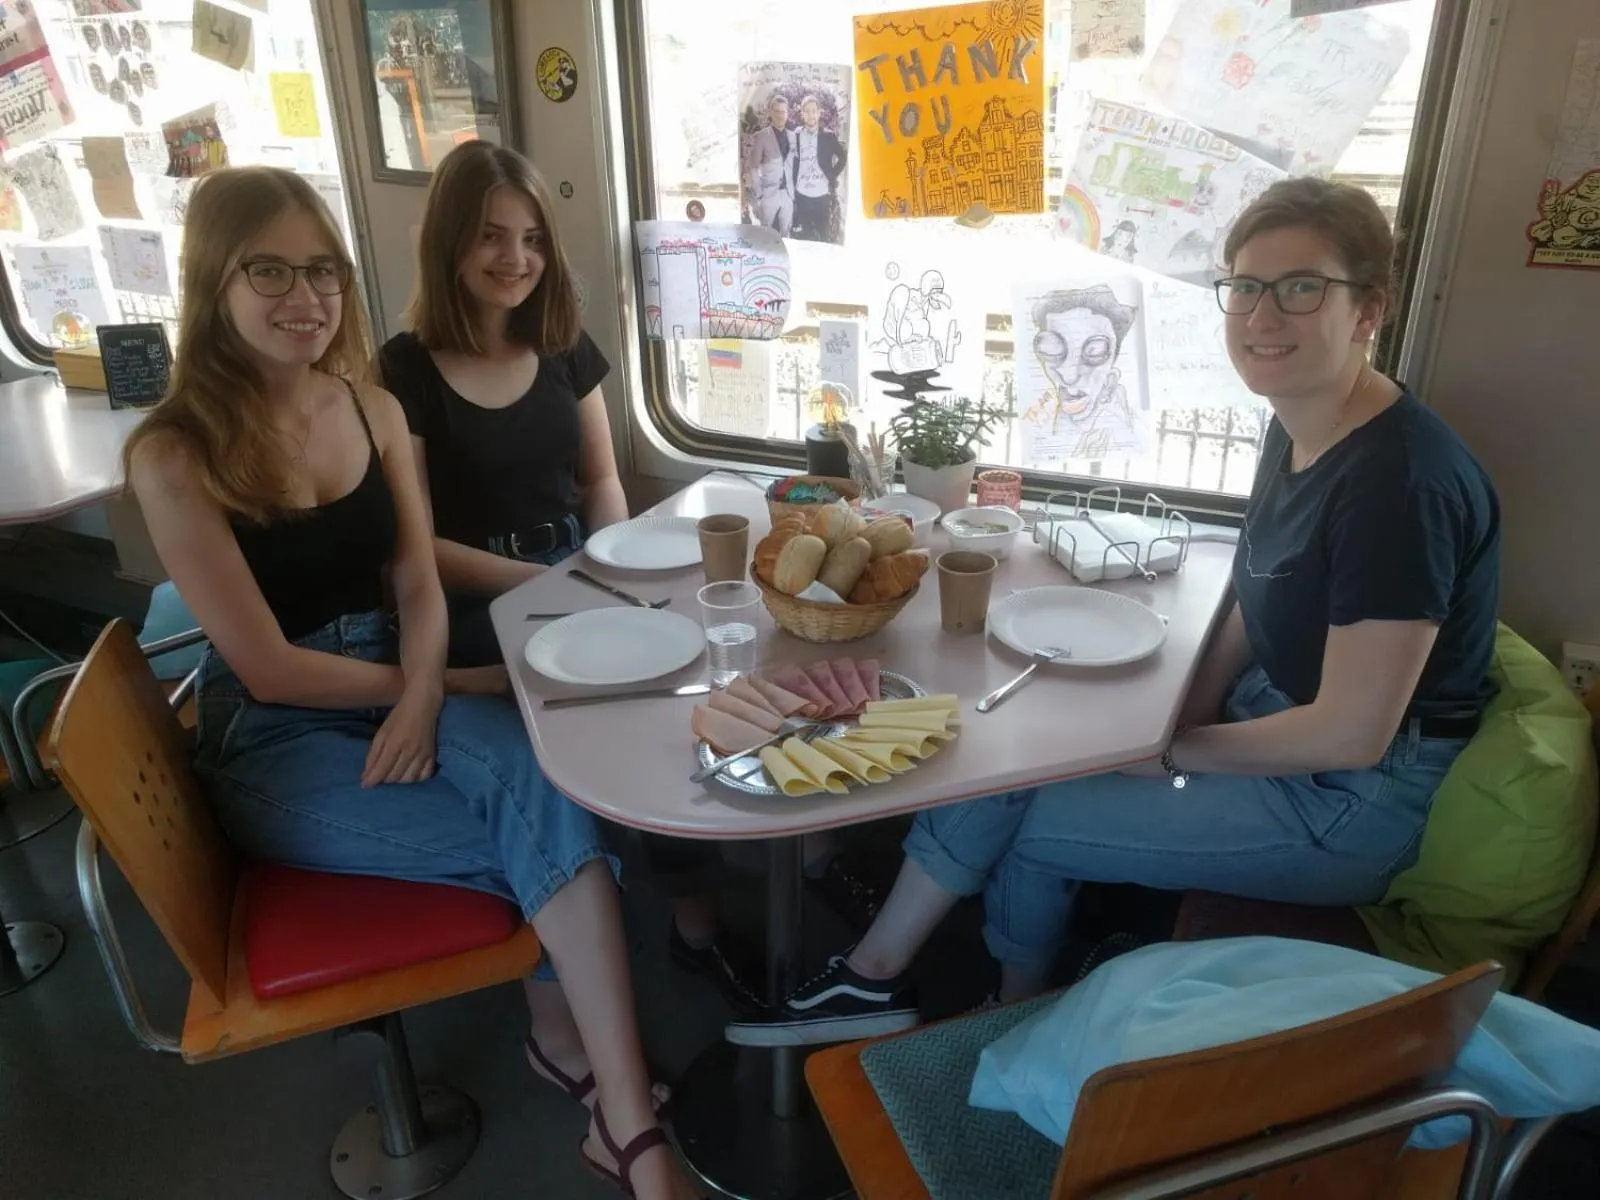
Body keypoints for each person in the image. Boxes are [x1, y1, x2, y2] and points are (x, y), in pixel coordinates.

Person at [727, 176, 1502, 1047]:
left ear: (1367, 313)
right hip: (1277, 723)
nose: (1261, 316)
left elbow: (1352, 735)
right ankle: (880, 980)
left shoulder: (1399, 484)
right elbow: (1258, 588)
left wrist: (1169, 747)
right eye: (1244, 287)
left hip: (1348, 799)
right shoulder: (1298, 422)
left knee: (1038, 826)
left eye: (1301, 288)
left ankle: (1007, 1016)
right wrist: (1188, 711)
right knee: (1010, 749)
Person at [125, 165, 699, 1198]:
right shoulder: (174, 454)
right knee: (550, 842)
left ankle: (616, 1113)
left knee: (557, 791)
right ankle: (603, 1090)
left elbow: (417, 578)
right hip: (275, 729)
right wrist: (431, 689)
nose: (305, 299)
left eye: (323, 273)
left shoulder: (372, 408)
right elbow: (267, 666)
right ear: (214, 280)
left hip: (397, 674)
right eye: (270, 272)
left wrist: (430, 687)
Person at [376, 141, 760, 1012]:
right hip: (471, 599)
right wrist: (540, 584)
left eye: (533, 239)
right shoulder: (404, 371)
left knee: (672, 694)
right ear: (448, 244)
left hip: (577, 570)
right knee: (588, 727)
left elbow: (601, 478)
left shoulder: (560, 344)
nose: (517, 260)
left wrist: (614, 570)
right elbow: (414, 542)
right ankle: (571, 959)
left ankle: (691, 911)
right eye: (491, 238)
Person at [789, 94, 846, 243]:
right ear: (802, 114)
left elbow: (842, 157)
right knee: (805, 237)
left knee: (823, 237)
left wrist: (832, 175)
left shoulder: (828, 136)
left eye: (814, 110)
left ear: (819, 113)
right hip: (802, 195)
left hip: (822, 195)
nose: (811, 115)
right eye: (806, 111)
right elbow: (790, 160)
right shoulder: (796, 135)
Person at [746, 91, 794, 236]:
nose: (780, 115)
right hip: (769, 194)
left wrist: (793, 195)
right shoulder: (761, 136)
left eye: (783, 112)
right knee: (766, 233)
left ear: (787, 114)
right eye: (777, 111)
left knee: (786, 234)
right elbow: (753, 167)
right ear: (771, 113)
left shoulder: (793, 137)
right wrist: (760, 194)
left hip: (788, 194)